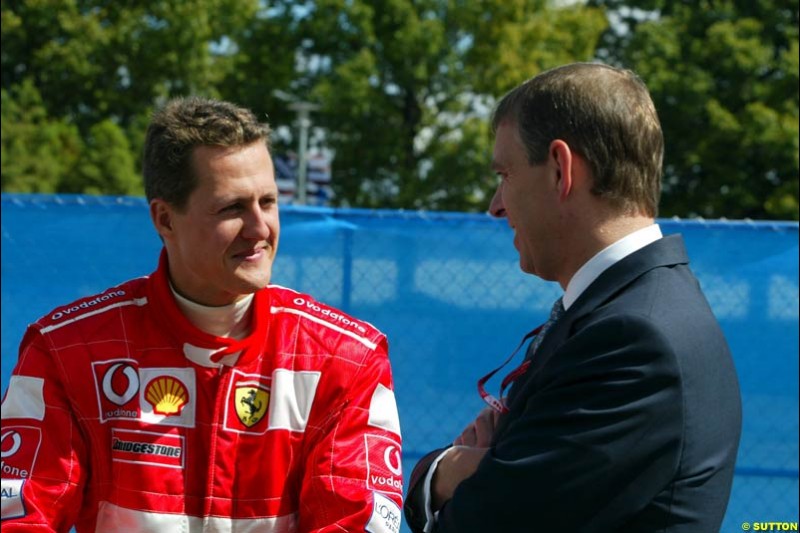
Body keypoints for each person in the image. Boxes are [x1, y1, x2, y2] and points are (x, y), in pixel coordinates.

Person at [0, 97, 404, 532]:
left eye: (268, 202)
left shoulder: (345, 358)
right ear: (165, 219)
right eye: (232, 208)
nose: (259, 228)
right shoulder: (66, 349)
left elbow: (355, 521)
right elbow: (21, 518)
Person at [403, 62, 742, 532]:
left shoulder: (632, 339)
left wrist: (441, 473)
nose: (495, 205)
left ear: (561, 169)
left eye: (505, 174)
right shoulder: (640, 309)